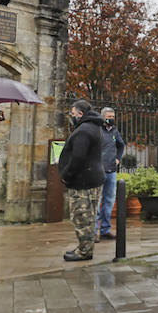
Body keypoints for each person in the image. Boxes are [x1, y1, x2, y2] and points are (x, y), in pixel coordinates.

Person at [57, 99, 105, 261]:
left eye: (72, 114)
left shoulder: (83, 130)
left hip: (82, 181)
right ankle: (85, 248)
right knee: (89, 216)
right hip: (92, 178)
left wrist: (66, 175)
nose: (71, 117)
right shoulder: (94, 127)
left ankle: (84, 251)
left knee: (82, 216)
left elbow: (78, 157)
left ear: (80, 114)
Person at [95, 106, 125, 241]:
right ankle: (94, 231)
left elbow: (121, 145)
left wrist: (118, 158)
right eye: (108, 117)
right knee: (97, 201)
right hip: (98, 171)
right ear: (102, 117)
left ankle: (105, 230)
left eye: (112, 117)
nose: (110, 119)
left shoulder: (114, 131)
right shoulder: (97, 130)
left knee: (109, 201)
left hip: (111, 171)